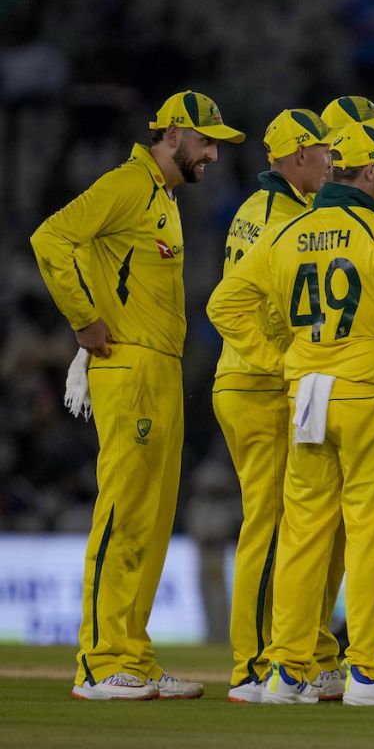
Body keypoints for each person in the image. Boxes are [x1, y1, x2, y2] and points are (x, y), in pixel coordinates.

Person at [207, 121, 374, 706]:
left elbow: (224, 302)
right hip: (368, 390)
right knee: (370, 533)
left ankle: (287, 673)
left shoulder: (292, 229)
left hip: (306, 391)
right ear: (370, 173)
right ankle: (368, 672)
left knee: (303, 530)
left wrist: (281, 358)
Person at [30, 90, 244, 700]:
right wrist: (82, 319)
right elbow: (51, 239)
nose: (213, 156)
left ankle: (132, 656)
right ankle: (99, 663)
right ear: (173, 134)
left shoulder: (162, 197)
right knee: (123, 511)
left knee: (151, 519)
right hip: (128, 365)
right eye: (206, 142)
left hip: (160, 369)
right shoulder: (128, 184)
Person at [213, 109, 349, 703]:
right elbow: (226, 305)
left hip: (259, 384)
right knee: (267, 530)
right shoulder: (276, 217)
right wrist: (277, 362)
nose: (330, 162)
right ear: (297, 158)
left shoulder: (268, 210)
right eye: (323, 152)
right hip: (257, 386)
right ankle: (253, 666)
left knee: (282, 526)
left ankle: (291, 656)